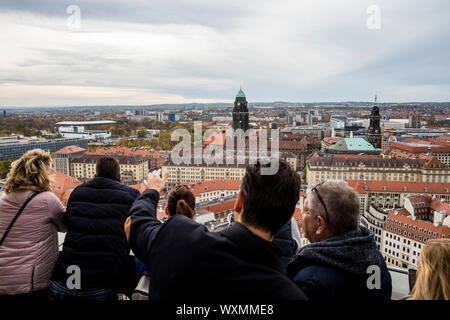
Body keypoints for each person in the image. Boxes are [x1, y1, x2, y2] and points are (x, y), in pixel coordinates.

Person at [126, 160, 307, 300]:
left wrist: (153, 190)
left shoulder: (177, 237)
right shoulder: (289, 293)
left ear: (239, 202)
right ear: (289, 216)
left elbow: (137, 224)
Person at [49, 156, 140, 301]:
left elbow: (68, 222)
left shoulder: (77, 192)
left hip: (65, 279)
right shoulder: (132, 196)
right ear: (119, 176)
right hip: (100, 282)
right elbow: (136, 231)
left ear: (95, 175)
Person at [286, 180, 392, 300]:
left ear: (320, 224)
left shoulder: (309, 283)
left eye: (305, 210)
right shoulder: (376, 259)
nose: (301, 213)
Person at [0, 149, 66, 299]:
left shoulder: (4, 198)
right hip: (31, 280)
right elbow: (64, 226)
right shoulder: (47, 200)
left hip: (3, 277)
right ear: (42, 173)